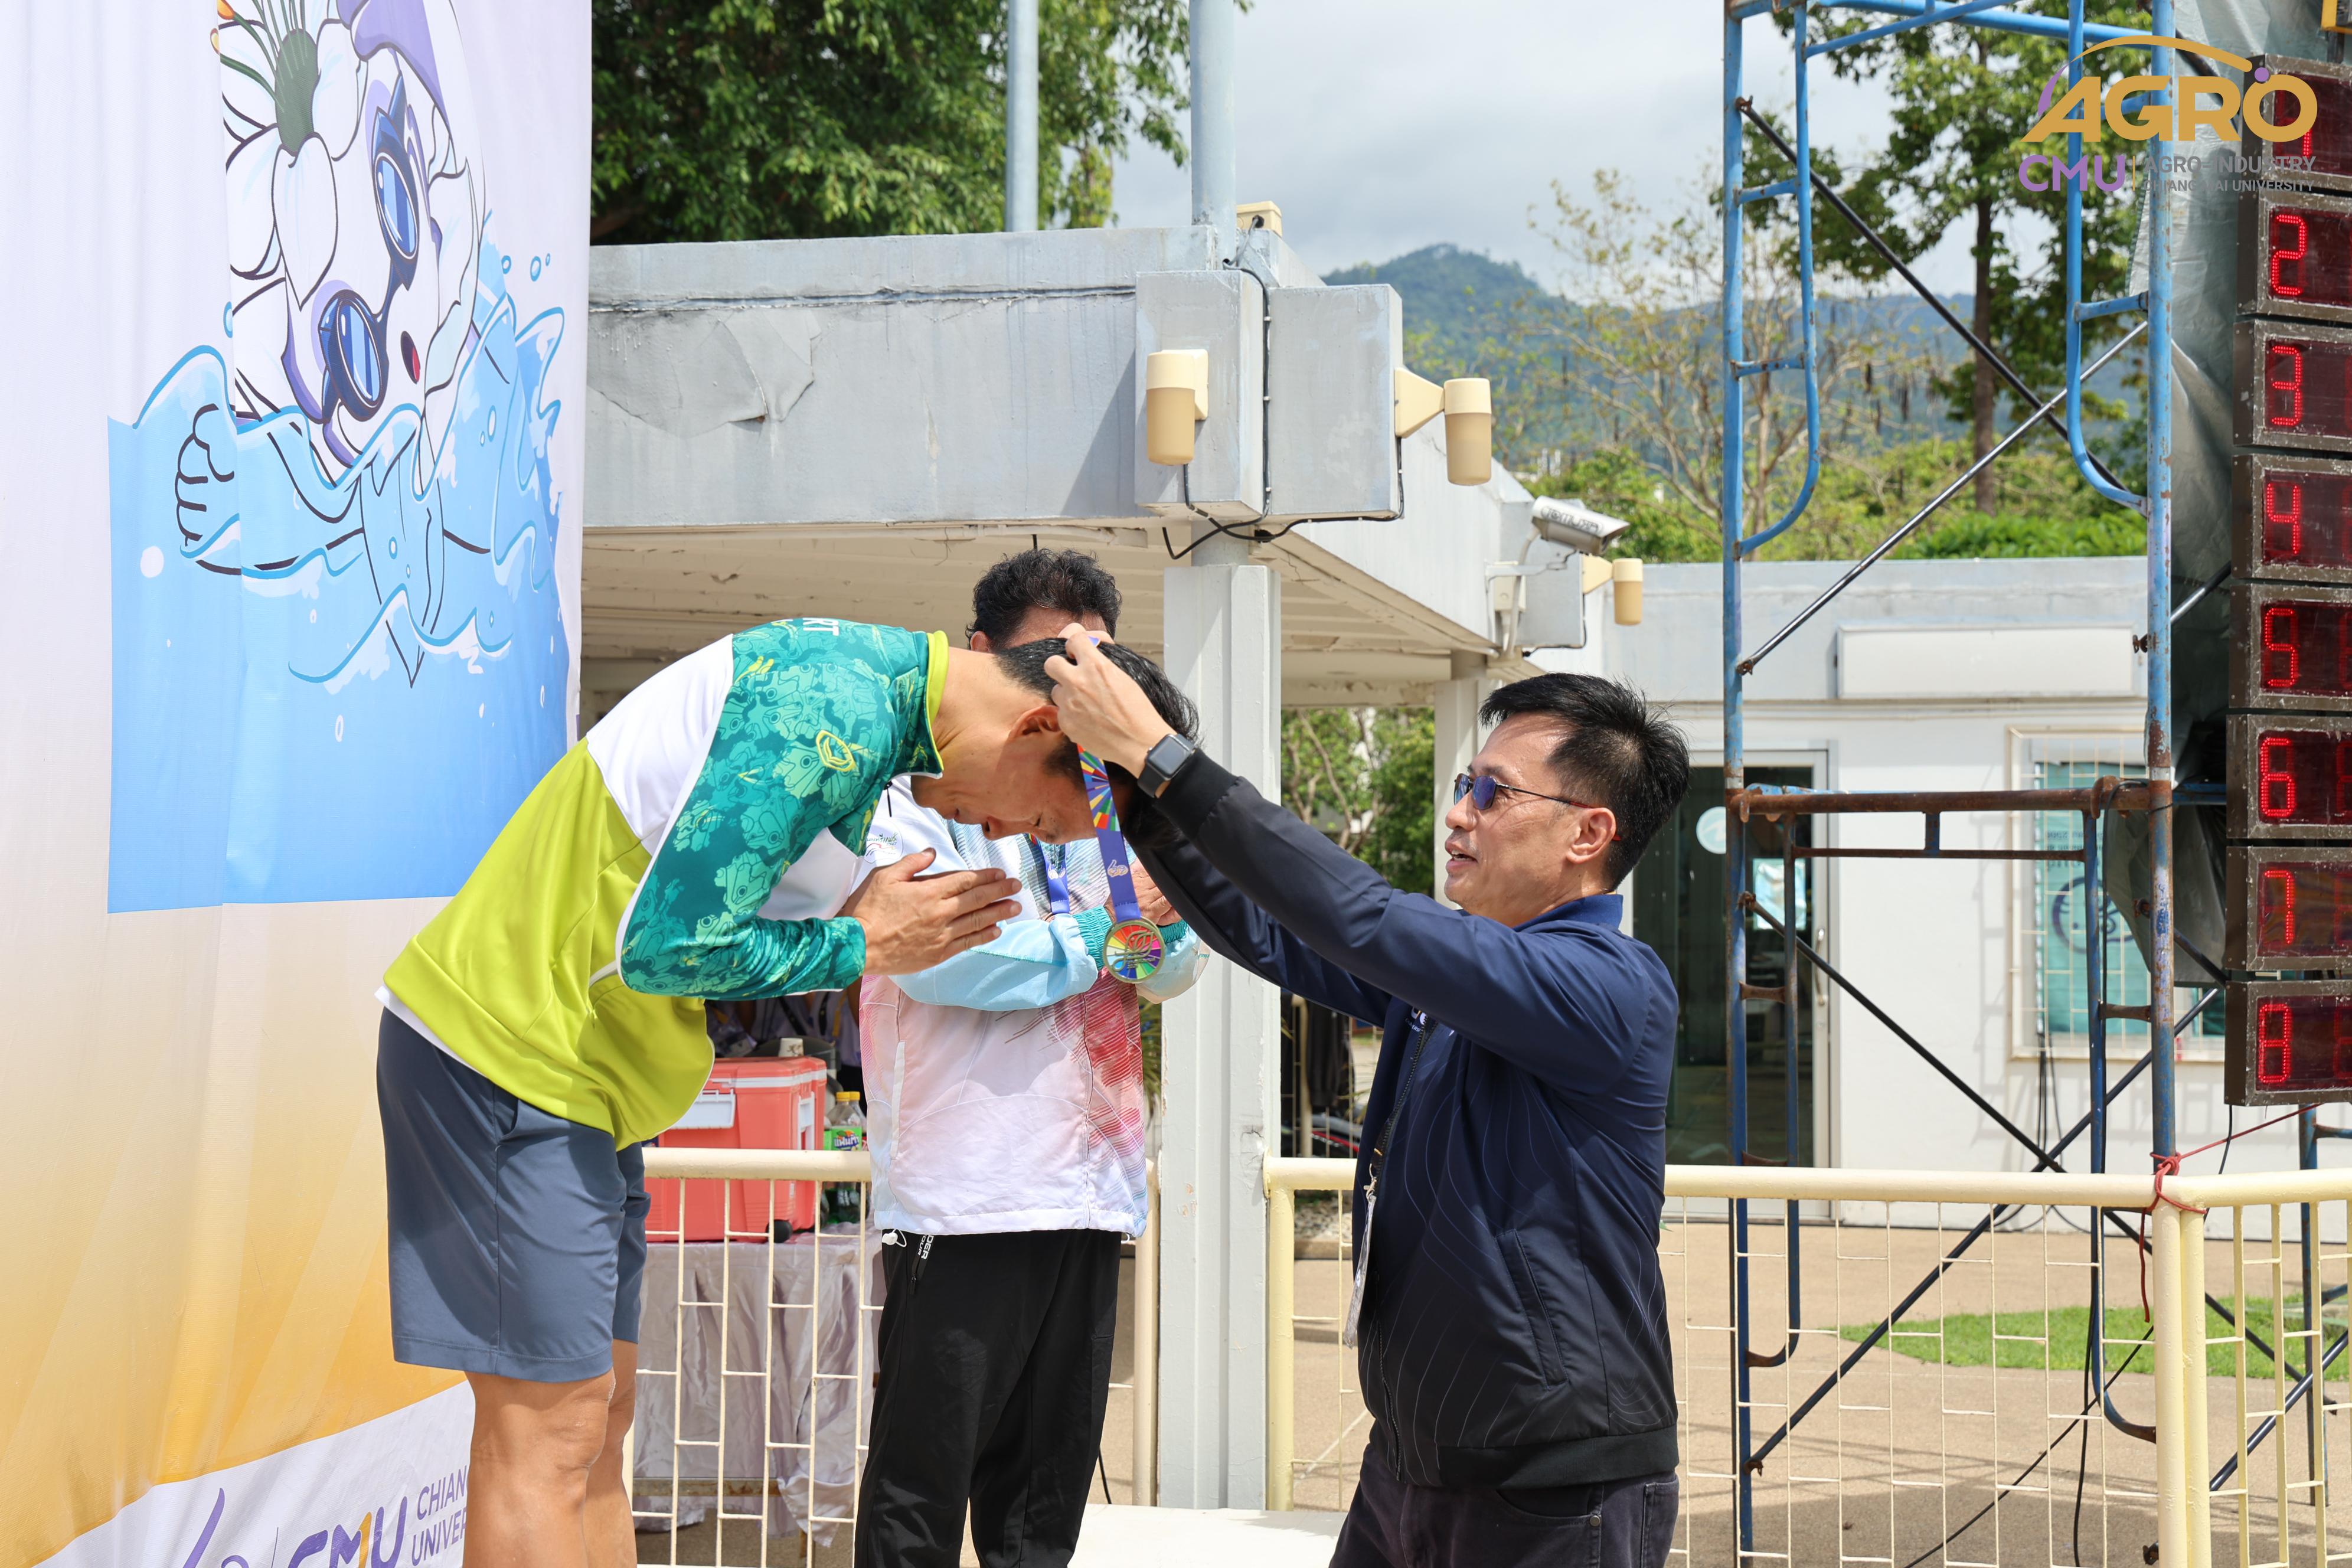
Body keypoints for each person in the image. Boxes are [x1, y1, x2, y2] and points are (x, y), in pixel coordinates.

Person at [371, 616, 1195, 1568]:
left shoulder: (877, 722)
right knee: (548, 1438)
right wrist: (861, 942)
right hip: (508, 1053)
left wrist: (863, 933)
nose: (1004, 837)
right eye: (1042, 822)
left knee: (598, 1423)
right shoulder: (832, 706)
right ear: (1041, 725)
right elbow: (670, 947)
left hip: (585, 1079)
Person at [1046, 633, 1692, 1568]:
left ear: (1588, 835)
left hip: (1554, 1489)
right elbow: (1275, 930)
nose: (1458, 814)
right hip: (1411, 1465)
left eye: (1493, 793)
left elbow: (1363, 918)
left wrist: (1166, 759)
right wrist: (1139, 797)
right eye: (1465, 785)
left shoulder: (1610, 987)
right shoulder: (1461, 980)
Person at [850, 551, 1205, 1568]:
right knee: (920, 1496)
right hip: (968, 1193)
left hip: (1091, 1190)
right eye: (1052, 661)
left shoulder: (1111, 791)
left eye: (1095, 664)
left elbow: (1176, 963)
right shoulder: (917, 794)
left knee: (1043, 1510)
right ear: (982, 656)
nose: (1075, 691)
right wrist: (1112, 934)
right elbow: (944, 960)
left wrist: (1147, 934)